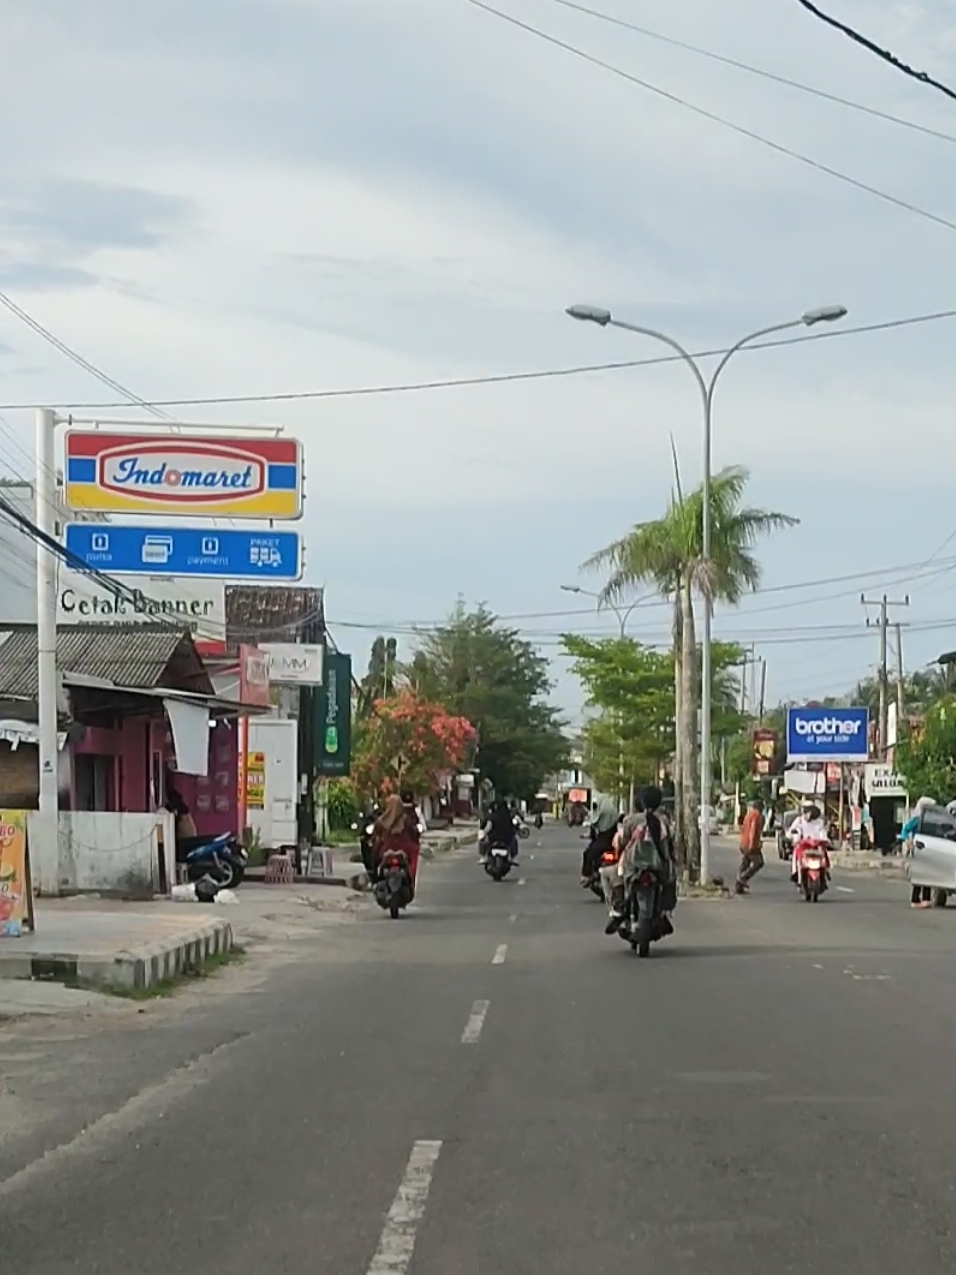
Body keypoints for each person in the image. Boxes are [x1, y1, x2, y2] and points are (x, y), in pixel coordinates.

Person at [372, 793, 422, 897]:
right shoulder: (405, 820)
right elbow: (413, 834)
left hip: (386, 850)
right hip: (405, 849)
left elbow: (375, 834)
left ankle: (375, 881)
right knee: (414, 856)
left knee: (375, 858)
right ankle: (411, 881)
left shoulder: (382, 820)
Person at [901, 795, 936, 907]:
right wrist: (908, 841)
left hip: (928, 848)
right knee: (920, 874)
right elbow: (905, 830)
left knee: (928, 874)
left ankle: (926, 898)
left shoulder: (931, 820)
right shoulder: (917, 819)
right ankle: (915, 899)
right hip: (919, 848)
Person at [582, 794, 619, 886]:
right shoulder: (613, 811)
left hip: (605, 840)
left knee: (588, 853)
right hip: (613, 841)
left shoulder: (602, 810)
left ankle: (586, 875)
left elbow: (594, 821)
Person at [789, 803, 828, 883]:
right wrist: (794, 837)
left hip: (816, 846)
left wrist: (824, 839)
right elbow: (791, 831)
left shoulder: (819, 822)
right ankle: (795, 872)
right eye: (805, 811)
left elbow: (822, 832)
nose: (807, 814)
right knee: (796, 852)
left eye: (808, 811)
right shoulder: (799, 820)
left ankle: (825, 873)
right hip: (803, 845)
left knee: (823, 854)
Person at [735, 798, 765, 895]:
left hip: (744, 843)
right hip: (750, 844)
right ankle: (742, 878)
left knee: (745, 863)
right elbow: (753, 829)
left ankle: (739, 886)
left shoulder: (749, 815)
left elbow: (743, 829)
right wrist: (753, 844)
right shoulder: (757, 815)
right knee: (759, 862)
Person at [481, 799, 520, 863]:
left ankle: (483, 857)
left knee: (482, 840)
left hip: (493, 838)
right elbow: (514, 825)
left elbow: (488, 827)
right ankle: (513, 858)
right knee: (514, 841)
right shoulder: (509, 815)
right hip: (507, 838)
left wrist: (484, 833)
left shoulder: (492, 816)